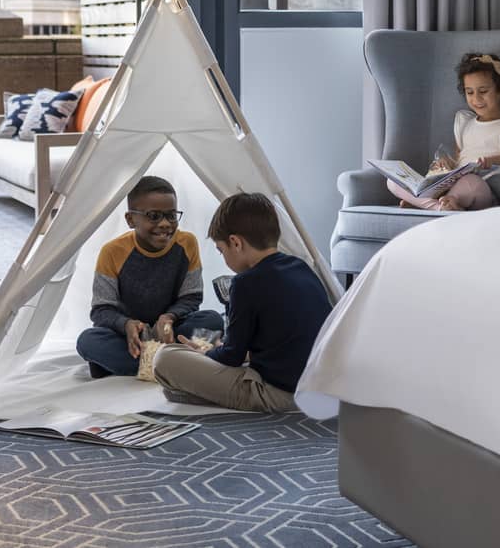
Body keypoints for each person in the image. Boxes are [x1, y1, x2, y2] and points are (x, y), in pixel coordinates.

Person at [152, 193, 332, 412]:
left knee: (165, 358)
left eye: (221, 250)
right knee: (211, 341)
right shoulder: (301, 267)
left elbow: (231, 357)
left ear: (235, 242)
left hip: (279, 394)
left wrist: (206, 354)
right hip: (320, 388)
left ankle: (196, 389)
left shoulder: (245, 283)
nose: (224, 258)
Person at [76, 175, 224, 379]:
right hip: (131, 336)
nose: (165, 224)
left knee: (213, 320)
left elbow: (192, 297)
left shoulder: (187, 243)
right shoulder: (112, 252)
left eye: (171, 216)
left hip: (170, 331)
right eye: (153, 216)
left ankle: (137, 366)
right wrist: (126, 324)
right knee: (88, 341)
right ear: (130, 219)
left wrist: (168, 318)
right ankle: (174, 363)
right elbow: (101, 310)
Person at [387, 52, 500, 212]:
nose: (476, 98)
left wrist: (491, 161)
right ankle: (442, 207)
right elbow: (458, 159)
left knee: (471, 182)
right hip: (452, 186)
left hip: (480, 188)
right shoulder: (465, 123)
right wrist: (446, 165)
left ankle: (425, 204)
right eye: (470, 92)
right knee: (392, 181)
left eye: (483, 91)